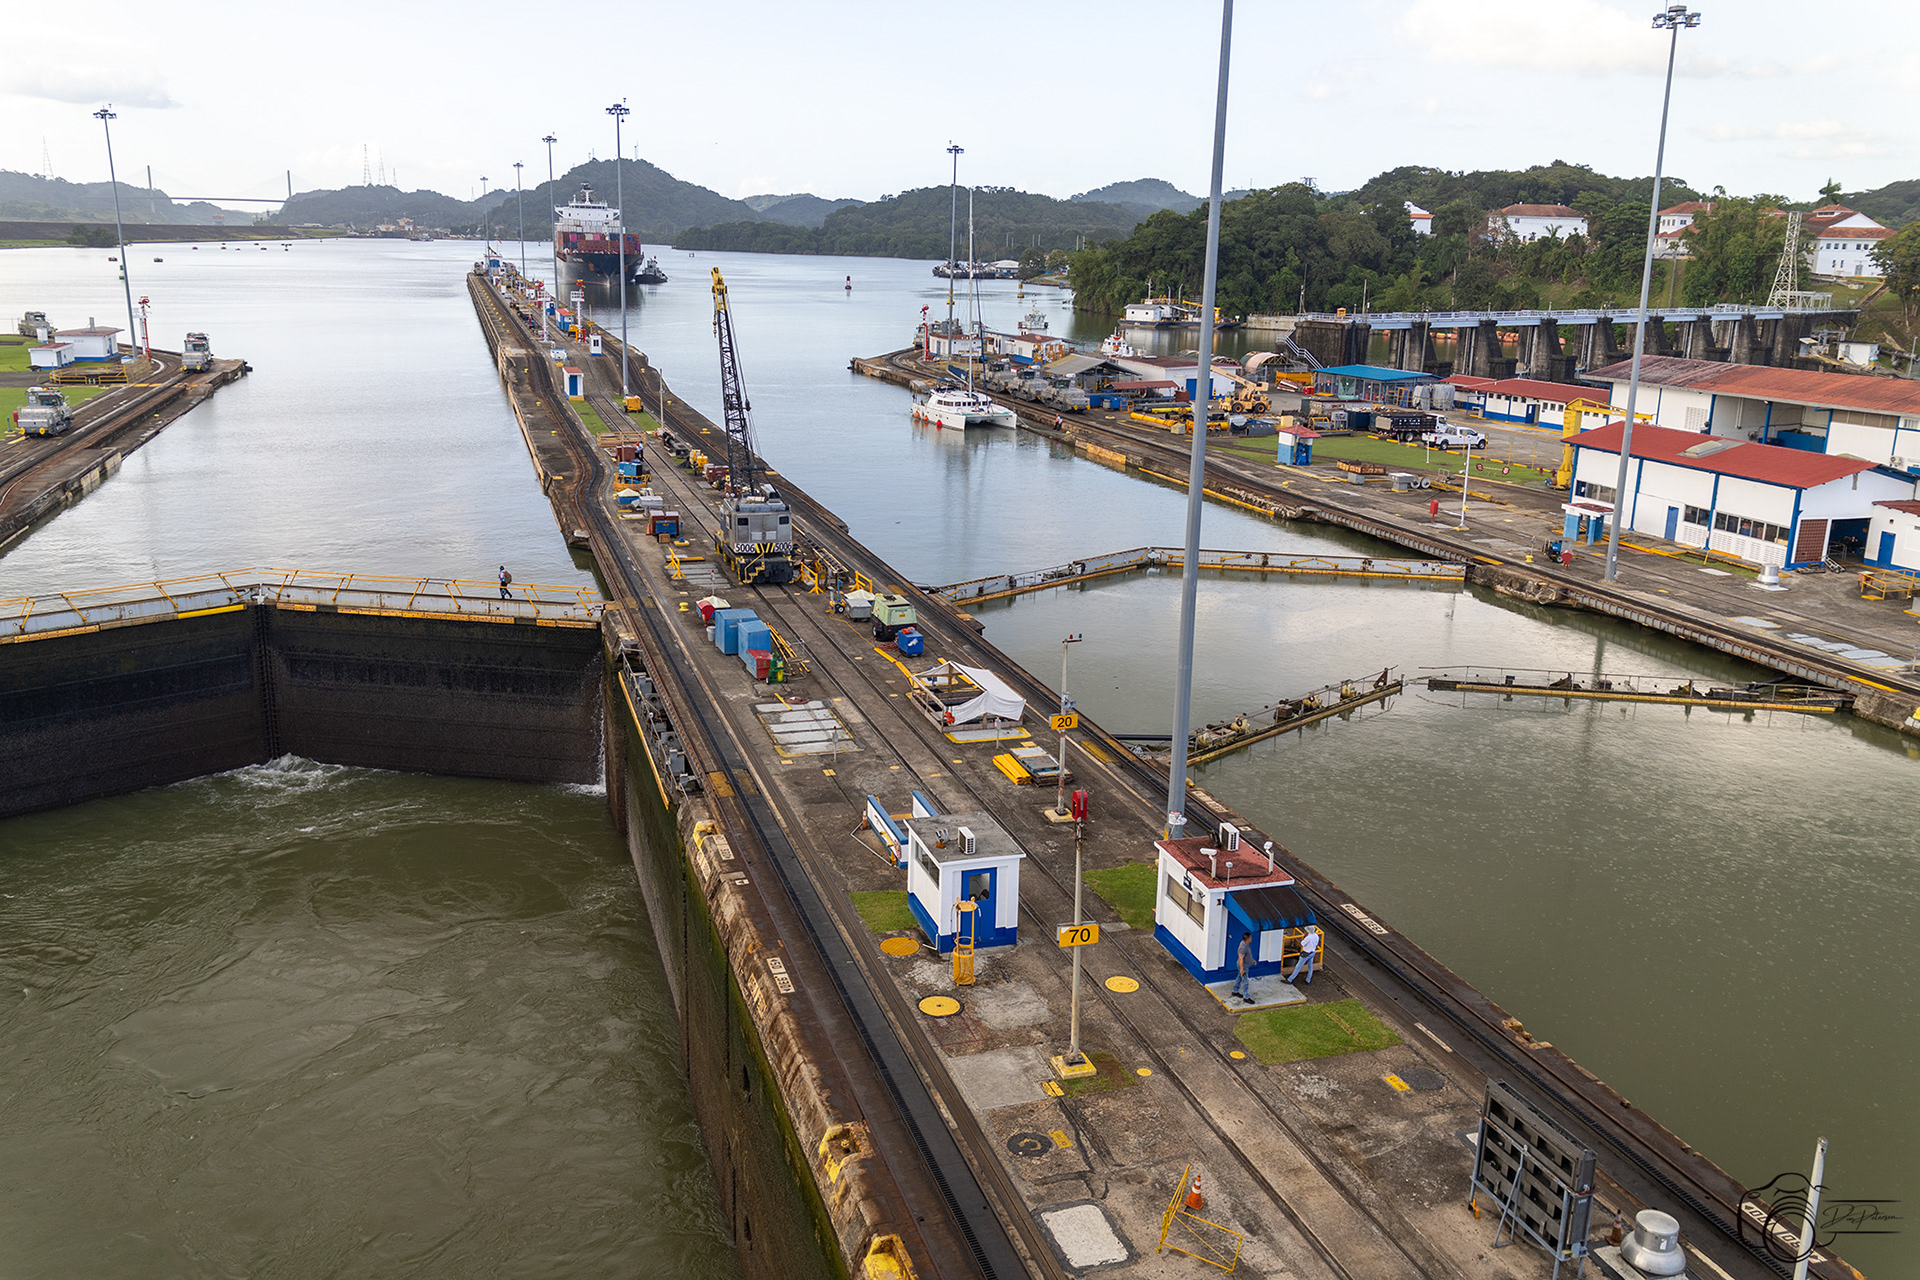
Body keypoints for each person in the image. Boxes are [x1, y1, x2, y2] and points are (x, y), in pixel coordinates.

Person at [1230, 931, 1255, 1004]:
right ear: (1247, 939)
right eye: (1250, 937)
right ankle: (1246, 997)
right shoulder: (1243, 947)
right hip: (1244, 967)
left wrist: (1252, 960)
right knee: (1245, 981)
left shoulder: (1246, 944)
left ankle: (1235, 991)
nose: (1251, 938)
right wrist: (1242, 969)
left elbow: (1248, 955)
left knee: (1239, 977)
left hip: (1245, 966)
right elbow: (1241, 958)